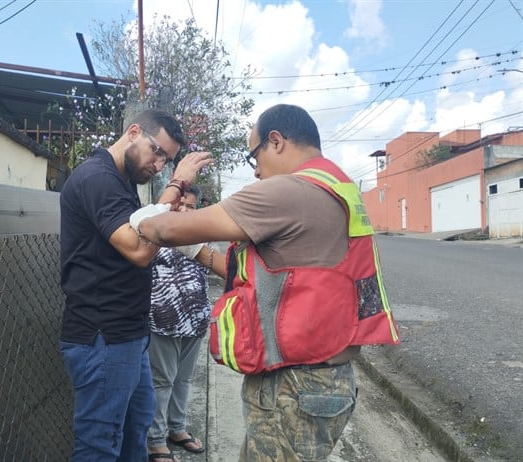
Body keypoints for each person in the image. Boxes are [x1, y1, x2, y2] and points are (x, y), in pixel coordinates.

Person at [133, 104, 400, 461]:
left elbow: (161, 227)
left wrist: (176, 184)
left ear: (275, 142)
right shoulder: (339, 186)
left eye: (253, 156)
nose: (256, 171)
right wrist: (198, 252)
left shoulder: (289, 191)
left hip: (292, 387)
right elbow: (275, 275)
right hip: (329, 379)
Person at [59, 108, 212, 461]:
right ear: (132, 132)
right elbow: (139, 249)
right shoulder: (96, 178)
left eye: (168, 161)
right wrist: (177, 185)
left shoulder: (122, 182)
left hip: (129, 335)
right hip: (103, 335)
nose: (159, 165)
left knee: (137, 426)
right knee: (100, 442)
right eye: (157, 151)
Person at [147, 185, 226, 461]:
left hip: (196, 320)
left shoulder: (205, 238)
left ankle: (177, 429)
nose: (184, 211)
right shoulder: (154, 236)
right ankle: (156, 440)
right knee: (162, 381)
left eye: (190, 207)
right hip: (162, 321)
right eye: (179, 205)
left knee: (183, 379)